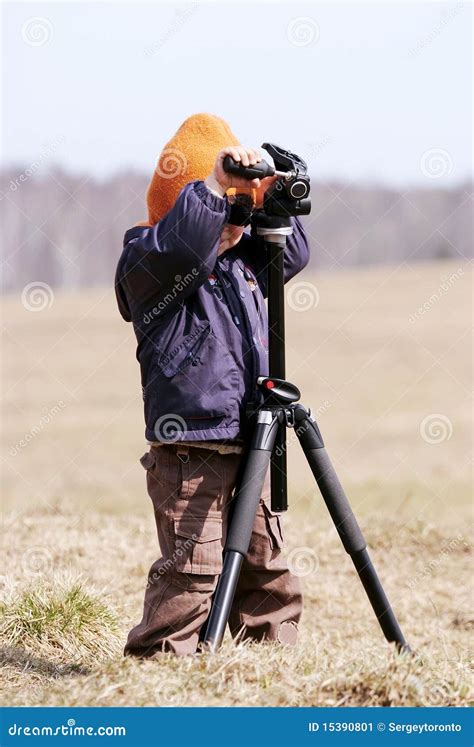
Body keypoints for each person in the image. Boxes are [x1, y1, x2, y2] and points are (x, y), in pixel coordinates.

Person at [115, 113, 310, 656]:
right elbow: (181, 246)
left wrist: (272, 196)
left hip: (252, 440)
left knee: (267, 571)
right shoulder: (148, 262)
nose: (233, 222)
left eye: (238, 211)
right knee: (191, 578)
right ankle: (162, 667)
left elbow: (288, 253)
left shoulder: (242, 262)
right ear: (185, 206)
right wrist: (214, 187)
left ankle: (264, 667)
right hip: (190, 451)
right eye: (220, 208)